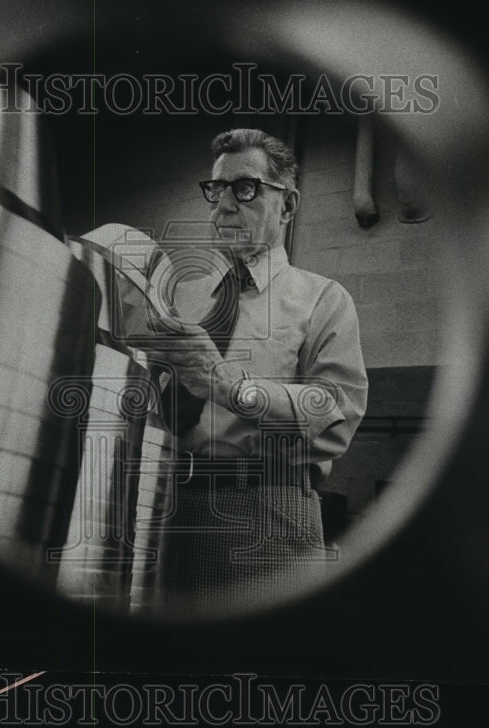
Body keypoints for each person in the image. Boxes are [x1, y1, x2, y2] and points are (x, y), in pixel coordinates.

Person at [134, 128, 368, 613]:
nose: (223, 205)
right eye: (216, 189)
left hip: (269, 513)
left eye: (245, 188)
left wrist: (227, 385)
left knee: (253, 674)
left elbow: (336, 420)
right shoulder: (186, 298)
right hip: (169, 509)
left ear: (288, 205)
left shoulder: (322, 299)